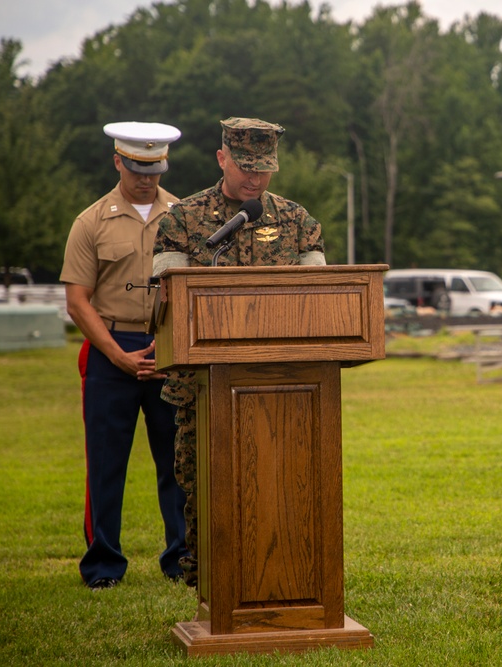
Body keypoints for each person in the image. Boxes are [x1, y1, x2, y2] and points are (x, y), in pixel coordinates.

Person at [152, 117, 326, 586]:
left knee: (282, 482)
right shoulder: (181, 220)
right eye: (245, 167)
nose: (254, 178)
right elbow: (165, 301)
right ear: (222, 158)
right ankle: (207, 575)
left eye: (264, 169)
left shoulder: (297, 221)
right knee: (203, 480)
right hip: (203, 385)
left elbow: (319, 297)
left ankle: (286, 568)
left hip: (284, 384)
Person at [61, 121, 189, 590]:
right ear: (118, 161)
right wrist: (117, 355)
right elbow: (78, 300)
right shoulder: (91, 220)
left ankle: (181, 560)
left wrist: (171, 342)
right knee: (106, 463)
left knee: (178, 461)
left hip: (168, 348)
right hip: (108, 349)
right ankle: (103, 565)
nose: (146, 178)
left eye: (154, 169)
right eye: (137, 168)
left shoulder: (183, 216)